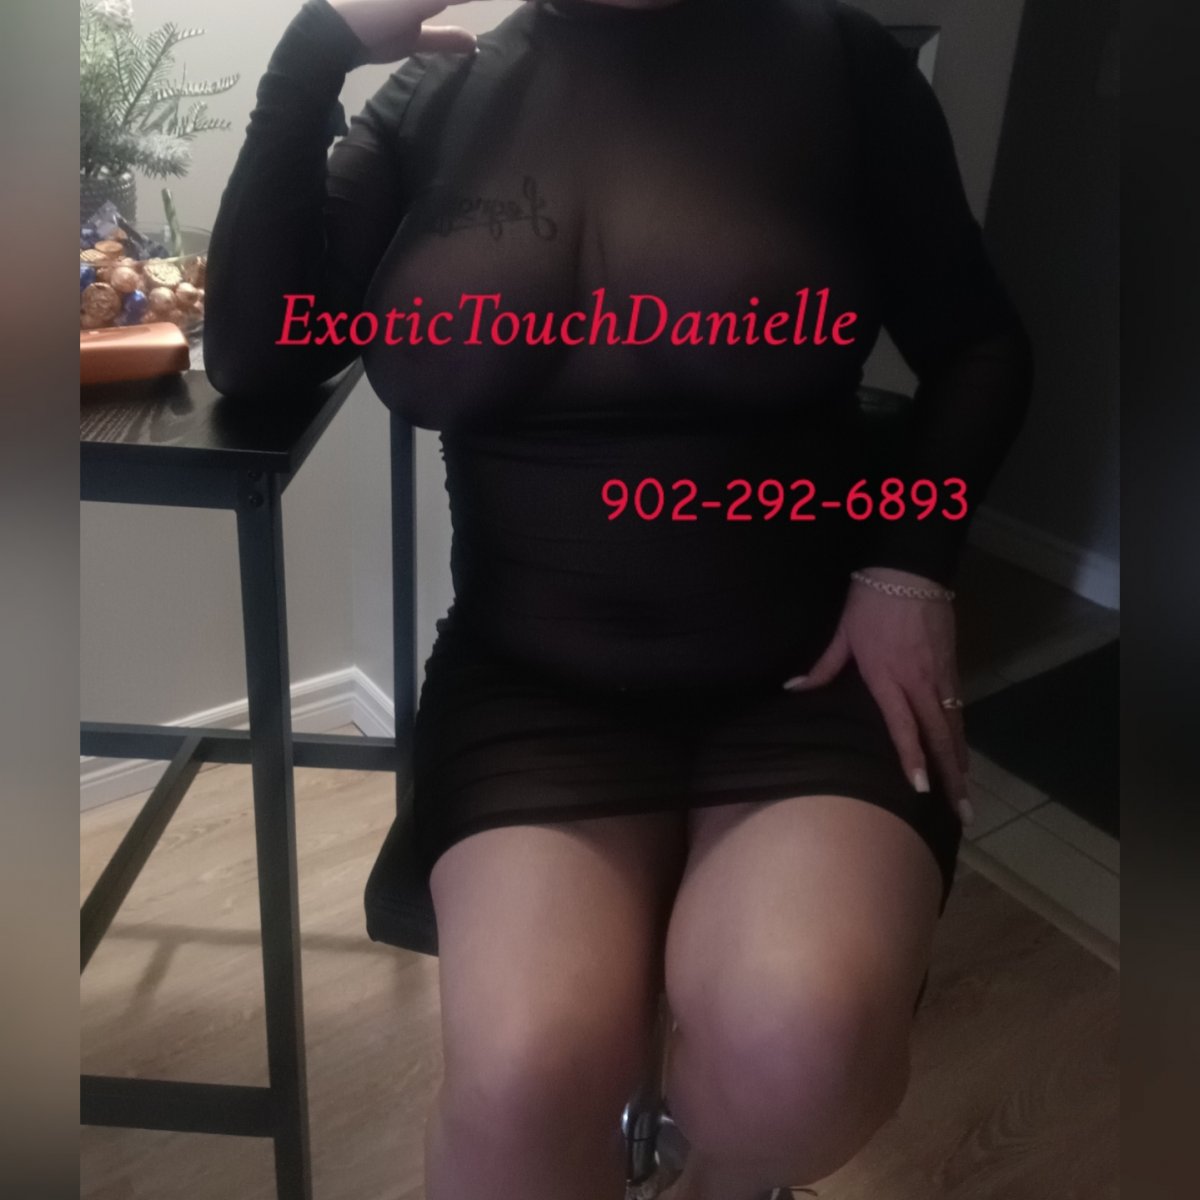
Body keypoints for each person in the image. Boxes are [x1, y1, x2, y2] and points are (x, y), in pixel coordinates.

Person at [203, 1, 1035, 1197]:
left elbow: (980, 346)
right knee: (523, 1085)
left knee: (797, 1050)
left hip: (810, 666)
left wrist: (911, 565)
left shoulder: (836, 61)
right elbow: (254, 356)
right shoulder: (430, 103)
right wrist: (315, 49)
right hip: (530, 686)